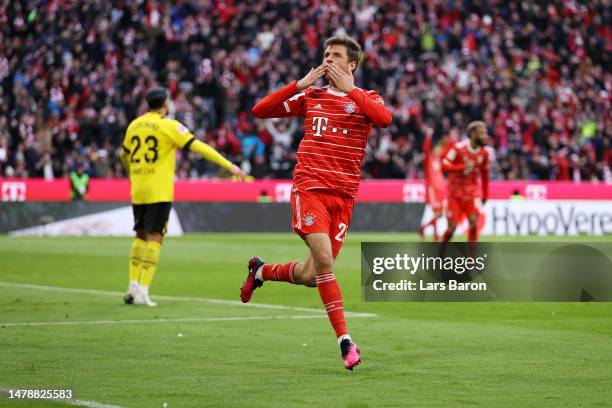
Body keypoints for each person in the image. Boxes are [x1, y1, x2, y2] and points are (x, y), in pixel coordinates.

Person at [240, 35, 392, 370]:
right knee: (325, 261)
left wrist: (350, 89)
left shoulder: (365, 98)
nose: (329, 60)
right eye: (326, 54)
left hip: (344, 197)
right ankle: (346, 343)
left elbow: (383, 119)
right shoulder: (311, 96)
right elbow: (260, 110)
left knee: (312, 274)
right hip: (310, 188)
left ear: (351, 64)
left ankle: (261, 271)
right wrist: (299, 83)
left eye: (336, 55)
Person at [120, 87, 246, 307]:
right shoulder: (169, 125)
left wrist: (133, 174)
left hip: (138, 189)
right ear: (166, 104)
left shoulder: (134, 125)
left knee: (140, 235)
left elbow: (124, 154)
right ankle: (143, 291)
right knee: (155, 237)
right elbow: (200, 148)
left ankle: (132, 285)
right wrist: (230, 166)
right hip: (158, 190)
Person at [439, 121, 490, 254]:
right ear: (473, 134)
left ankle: (471, 259)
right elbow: (443, 166)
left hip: (472, 194)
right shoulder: (457, 148)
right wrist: (462, 167)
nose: (485, 136)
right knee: (452, 228)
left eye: (485, 133)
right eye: (482, 133)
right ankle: (441, 251)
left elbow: (485, 174)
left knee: (473, 223)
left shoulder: (484, 153)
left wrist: (485, 194)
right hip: (454, 194)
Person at [418, 127, 445, 241]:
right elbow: (426, 149)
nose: (439, 151)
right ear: (433, 150)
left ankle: (431, 233)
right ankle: (425, 230)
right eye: (437, 149)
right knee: (438, 214)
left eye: (440, 150)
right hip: (432, 189)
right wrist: (428, 137)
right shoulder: (429, 159)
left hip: (440, 189)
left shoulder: (438, 161)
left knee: (439, 213)